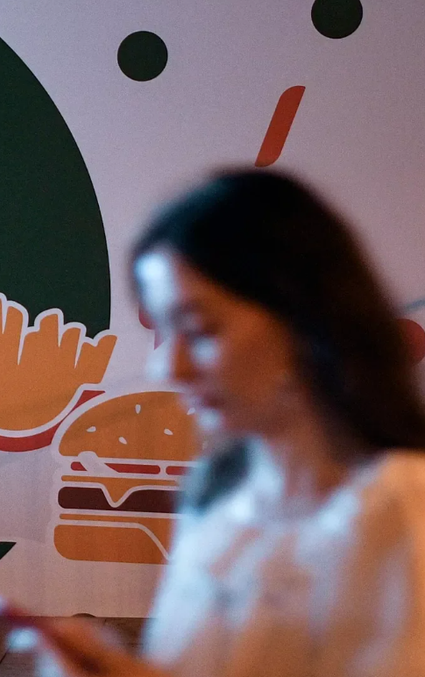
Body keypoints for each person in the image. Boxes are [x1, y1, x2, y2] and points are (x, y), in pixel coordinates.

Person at [30, 169, 425, 676]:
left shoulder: (400, 508)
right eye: (162, 332)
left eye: (199, 330)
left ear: (303, 318)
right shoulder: (216, 491)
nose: (168, 368)